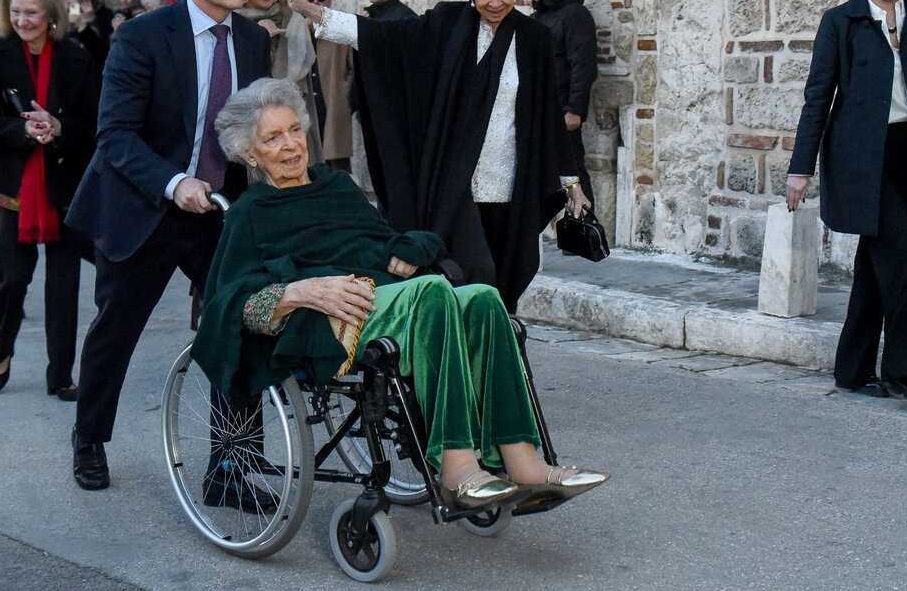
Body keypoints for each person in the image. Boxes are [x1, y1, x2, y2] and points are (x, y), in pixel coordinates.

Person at [192, 78, 609, 511]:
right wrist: (298, 291)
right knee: (431, 292)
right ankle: (457, 468)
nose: (291, 145)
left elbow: (379, 239)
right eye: (273, 138)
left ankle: (524, 462)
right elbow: (228, 301)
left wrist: (410, 248)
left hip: (391, 296)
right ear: (249, 153)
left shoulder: (336, 185)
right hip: (331, 318)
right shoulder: (250, 213)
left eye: (295, 130)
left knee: (484, 299)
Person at [65, 0, 271, 491]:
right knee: (116, 329)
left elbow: (252, 128)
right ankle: (89, 437)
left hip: (217, 209)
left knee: (238, 321)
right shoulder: (142, 36)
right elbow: (115, 134)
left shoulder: (252, 40)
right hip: (144, 206)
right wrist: (174, 182)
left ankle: (230, 466)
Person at [281, 0, 581, 313]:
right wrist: (308, 9)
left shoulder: (534, 38)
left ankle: (496, 345)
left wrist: (571, 183)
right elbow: (380, 37)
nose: (495, 2)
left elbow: (548, 112)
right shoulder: (446, 24)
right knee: (476, 273)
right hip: (454, 182)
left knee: (502, 279)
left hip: (510, 183)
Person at [787, 0, 907, 402]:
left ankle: (853, 369)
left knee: (876, 261)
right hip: (859, 157)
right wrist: (800, 169)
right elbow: (817, 98)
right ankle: (906, 371)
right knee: (906, 251)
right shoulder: (840, 22)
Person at [0, 0, 99, 402]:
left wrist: (58, 127)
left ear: (51, 15)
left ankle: (60, 375)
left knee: (64, 285)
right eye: (16, 12)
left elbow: (94, 121)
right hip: (13, 185)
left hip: (64, 183)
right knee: (13, 278)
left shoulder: (76, 58)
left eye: (32, 13)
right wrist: (24, 130)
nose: (23, 20)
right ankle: (1, 349)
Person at [239, 0, 323, 165]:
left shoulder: (294, 21)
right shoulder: (227, 25)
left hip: (294, 131)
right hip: (247, 140)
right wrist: (258, 40)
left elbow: (303, 93)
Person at [530, 0, 595, 212]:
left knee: (572, 173)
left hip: (563, 110)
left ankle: (584, 226)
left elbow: (583, 65)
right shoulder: (538, 17)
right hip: (538, 110)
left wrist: (575, 109)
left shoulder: (575, 15)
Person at [305, 0, 353, 172]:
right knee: (311, 167)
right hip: (308, 111)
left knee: (339, 168)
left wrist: (347, 99)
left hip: (334, 109)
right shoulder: (297, 32)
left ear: (330, 1)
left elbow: (354, 71)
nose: (316, 2)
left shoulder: (341, 32)